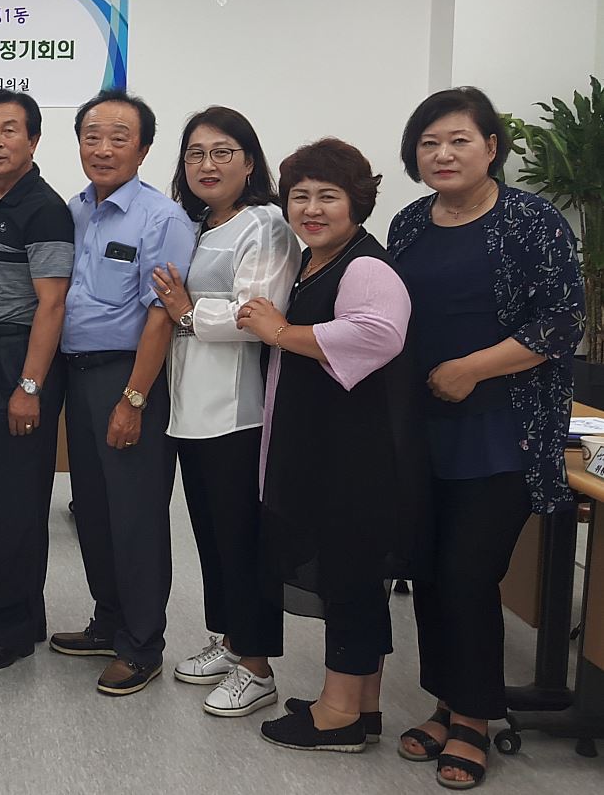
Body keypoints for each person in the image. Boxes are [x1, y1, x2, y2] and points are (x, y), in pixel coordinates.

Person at [390, 87, 584, 789]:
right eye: (428, 143)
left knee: (470, 573)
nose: (442, 154)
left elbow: (562, 322)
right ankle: (445, 702)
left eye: (458, 140)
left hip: (503, 427)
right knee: (429, 569)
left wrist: (470, 369)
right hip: (421, 426)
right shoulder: (410, 222)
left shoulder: (532, 220)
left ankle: (474, 717)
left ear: (490, 147)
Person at [240, 138, 427, 752]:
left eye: (328, 196)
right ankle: (362, 705)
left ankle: (337, 714)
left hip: (357, 456)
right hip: (330, 449)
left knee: (349, 575)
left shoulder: (366, 267)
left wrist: (279, 331)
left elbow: (378, 334)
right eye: (300, 196)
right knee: (354, 576)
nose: (312, 209)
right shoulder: (315, 262)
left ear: (357, 202)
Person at [151, 107, 298, 716]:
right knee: (211, 535)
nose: (206, 164)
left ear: (249, 161)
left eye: (221, 152)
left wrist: (187, 312)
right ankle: (233, 641)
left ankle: (258, 666)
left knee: (242, 539)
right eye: (195, 154)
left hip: (238, 410)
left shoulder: (265, 224)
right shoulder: (196, 223)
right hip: (190, 405)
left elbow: (257, 314)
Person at [50, 90, 195, 694]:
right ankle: (108, 622)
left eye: (118, 137)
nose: (103, 148)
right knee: (94, 509)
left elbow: (161, 315)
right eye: (92, 136)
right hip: (78, 373)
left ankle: (141, 645)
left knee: (135, 516)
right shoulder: (75, 209)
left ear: (144, 148)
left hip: (130, 376)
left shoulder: (162, 219)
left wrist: (134, 399)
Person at [0, 89, 74, 673]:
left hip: (17, 357)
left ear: (33, 140)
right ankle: (17, 611)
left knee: (20, 503)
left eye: (9, 130)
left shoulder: (44, 208)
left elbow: (52, 305)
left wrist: (29, 387)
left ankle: (15, 630)